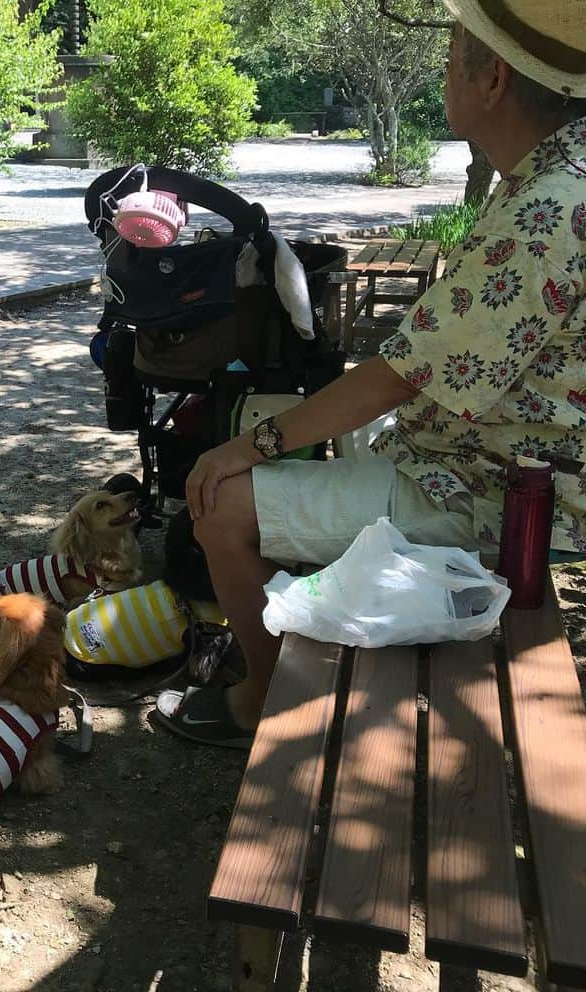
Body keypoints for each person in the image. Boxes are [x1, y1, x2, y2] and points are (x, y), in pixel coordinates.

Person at [154, 0, 586, 747]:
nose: (443, 71)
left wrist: (243, 446)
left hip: (504, 496)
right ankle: (297, 635)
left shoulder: (546, 206)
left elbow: (398, 376)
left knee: (220, 502)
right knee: (340, 431)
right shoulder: (556, 171)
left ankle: (263, 701)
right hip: (498, 455)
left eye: (452, 55)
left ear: (494, 79)